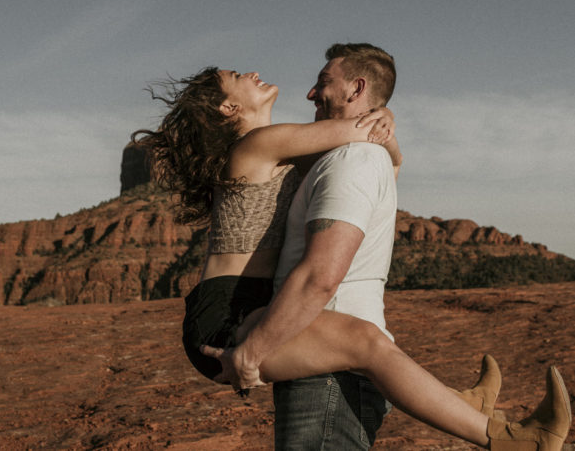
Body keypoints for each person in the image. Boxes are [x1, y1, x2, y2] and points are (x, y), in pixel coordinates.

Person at [135, 43, 571, 450]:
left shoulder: (284, 155)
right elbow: (360, 135)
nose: (251, 72)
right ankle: (512, 439)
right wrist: (384, 117)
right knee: (364, 342)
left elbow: (372, 158)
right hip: (224, 316)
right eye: (237, 76)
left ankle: (464, 406)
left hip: (250, 306)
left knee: (367, 342)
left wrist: (385, 123)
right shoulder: (256, 145)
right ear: (229, 107)